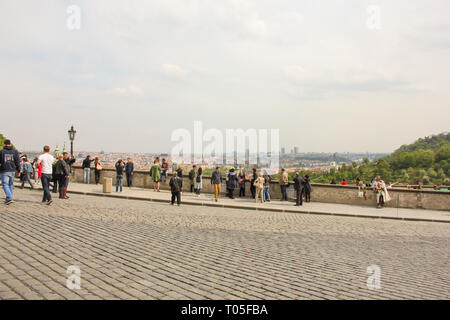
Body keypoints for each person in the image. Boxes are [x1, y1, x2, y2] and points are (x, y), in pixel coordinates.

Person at [0, 139, 20, 205]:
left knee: (5, 184)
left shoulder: (2, 151)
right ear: (10, 144)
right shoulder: (15, 151)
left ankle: (9, 198)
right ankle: (8, 198)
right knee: (10, 184)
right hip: (12, 170)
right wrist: (19, 170)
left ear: (4, 144)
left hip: (4, 170)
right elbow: (17, 161)